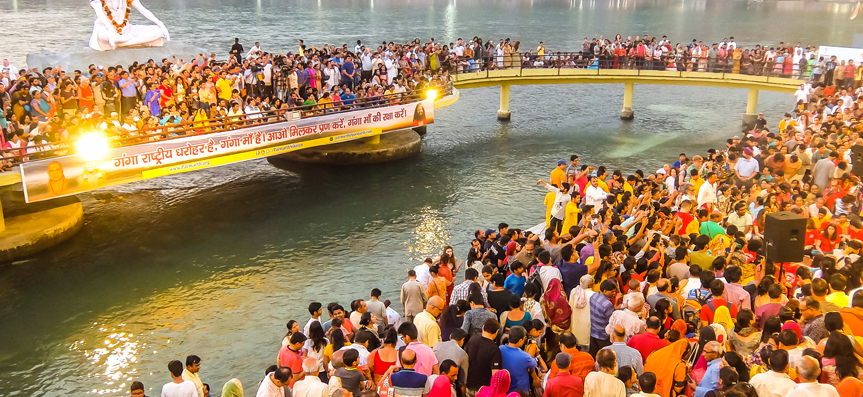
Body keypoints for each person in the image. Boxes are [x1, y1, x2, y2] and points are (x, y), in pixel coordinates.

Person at [465, 318, 502, 396]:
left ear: (483, 328)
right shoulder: (494, 349)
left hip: (468, 386)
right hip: (484, 390)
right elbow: (495, 375)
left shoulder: (472, 340)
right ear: (497, 332)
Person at [499, 325, 537, 394]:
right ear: (521, 340)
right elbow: (533, 364)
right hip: (521, 393)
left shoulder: (500, 349)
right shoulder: (525, 357)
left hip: (504, 392)